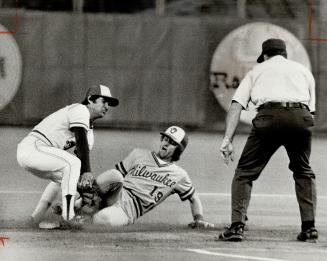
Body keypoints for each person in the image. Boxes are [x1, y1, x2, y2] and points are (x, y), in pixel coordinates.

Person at [218, 38, 317, 242]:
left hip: (269, 117)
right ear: (285, 55)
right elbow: (311, 110)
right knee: (303, 171)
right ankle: (309, 228)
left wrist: (227, 139)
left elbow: (236, 106)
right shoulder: (303, 71)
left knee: (244, 173)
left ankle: (237, 227)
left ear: (264, 56)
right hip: (301, 118)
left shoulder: (256, 71)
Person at [17, 84, 119, 226]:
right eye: (104, 101)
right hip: (32, 148)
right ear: (90, 100)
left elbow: (81, 156)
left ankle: (35, 218)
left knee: (68, 175)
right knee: (72, 165)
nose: (107, 107)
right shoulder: (80, 109)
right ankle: (68, 216)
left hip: (40, 154)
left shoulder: (89, 133)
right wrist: (87, 172)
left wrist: (84, 188)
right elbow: (80, 141)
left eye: (109, 104)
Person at [81, 126, 213, 228]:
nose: (166, 143)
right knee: (115, 175)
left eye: (172, 142)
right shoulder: (138, 154)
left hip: (128, 211)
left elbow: (194, 198)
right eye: (165, 139)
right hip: (117, 194)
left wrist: (199, 219)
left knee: (102, 218)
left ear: (179, 149)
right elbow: (111, 180)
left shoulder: (180, 175)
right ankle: (80, 201)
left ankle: (81, 218)